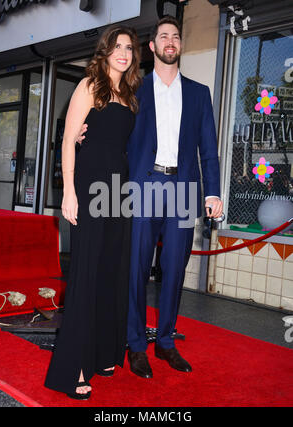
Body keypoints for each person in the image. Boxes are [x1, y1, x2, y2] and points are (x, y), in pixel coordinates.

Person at [78, 16, 223, 379]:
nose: (170, 41)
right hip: (141, 187)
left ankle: (167, 343)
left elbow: (209, 149)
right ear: (153, 47)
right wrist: (85, 134)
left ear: (179, 46)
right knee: (136, 269)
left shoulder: (199, 93)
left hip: (183, 189)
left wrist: (214, 192)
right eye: (163, 37)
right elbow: (111, 127)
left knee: (174, 270)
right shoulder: (134, 90)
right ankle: (136, 344)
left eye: (176, 36)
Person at [44, 25, 141, 399]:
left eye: (129, 48)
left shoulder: (129, 93)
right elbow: (68, 140)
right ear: (105, 51)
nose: (123, 53)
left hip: (118, 190)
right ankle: (77, 365)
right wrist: (68, 191)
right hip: (89, 185)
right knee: (87, 271)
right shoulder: (89, 85)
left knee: (111, 268)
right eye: (117, 47)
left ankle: (102, 351)